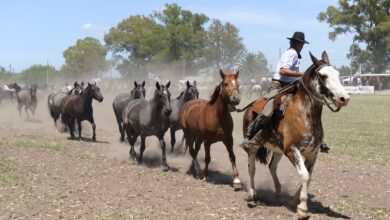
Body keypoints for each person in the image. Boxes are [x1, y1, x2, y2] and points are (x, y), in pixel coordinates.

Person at [240, 31, 329, 153]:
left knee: (311, 106)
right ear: (294, 43)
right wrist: (302, 74)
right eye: (300, 43)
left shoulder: (296, 55)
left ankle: (317, 138)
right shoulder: (291, 53)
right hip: (280, 85)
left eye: (302, 44)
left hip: (292, 85)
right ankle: (249, 135)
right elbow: (283, 71)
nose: (301, 46)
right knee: (269, 108)